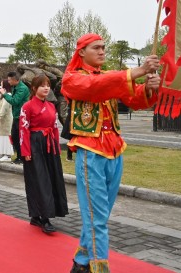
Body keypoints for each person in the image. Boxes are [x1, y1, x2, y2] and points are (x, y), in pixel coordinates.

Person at [61, 33, 160, 273]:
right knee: (97, 217)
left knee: (100, 215)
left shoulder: (111, 77)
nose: (103, 51)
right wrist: (136, 72)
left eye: (104, 47)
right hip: (90, 151)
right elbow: (94, 88)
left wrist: (148, 87)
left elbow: (134, 100)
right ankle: (99, 267)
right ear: (81, 52)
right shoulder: (71, 78)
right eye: (97, 47)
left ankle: (81, 261)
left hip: (115, 150)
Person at [20, 74, 68, 234]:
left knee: (52, 178)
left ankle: (38, 215)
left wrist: (57, 146)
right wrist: (26, 151)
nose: (46, 88)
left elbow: (54, 127)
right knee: (39, 180)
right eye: (42, 85)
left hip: (49, 145)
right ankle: (43, 217)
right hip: (34, 145)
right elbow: (23, 129)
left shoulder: (51, 106)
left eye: (47, 85)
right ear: (34, 88)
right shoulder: (27, 106)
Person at [0, 71, 30, 165]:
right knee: (15, 137)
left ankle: (21, 157)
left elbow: (15, 101)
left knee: (19, 137)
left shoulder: (22, 88)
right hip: (17, 116)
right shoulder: (15, 87)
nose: (8, 82)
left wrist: (4, 94)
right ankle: (19, 156)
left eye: (9, 80)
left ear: (14, 80)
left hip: (22, 116)